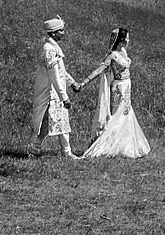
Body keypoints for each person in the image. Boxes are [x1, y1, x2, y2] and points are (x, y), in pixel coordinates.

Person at [81, 26, 151, 159]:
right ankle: (109, 144)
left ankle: (125, 145)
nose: (128, 41)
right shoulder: (112, 55)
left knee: (125, 113)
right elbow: (99, 70)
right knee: (118, 115)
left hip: (126, 86)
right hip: (119, 87)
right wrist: (84, 83)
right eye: (127, 38)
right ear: (120, 41)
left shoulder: (123, 52)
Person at [33, 19, 81, 158]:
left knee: (53, 121)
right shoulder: (49, 50)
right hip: (50, 92)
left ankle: (35, 148)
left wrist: (72, 83)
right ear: (53, 33)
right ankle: (66, 152)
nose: (63, 33)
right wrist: (64, 97)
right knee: (55, 120)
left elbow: (60, 71)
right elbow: (54, 76)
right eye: (61, 31)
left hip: (54, 90)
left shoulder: (53, 48)